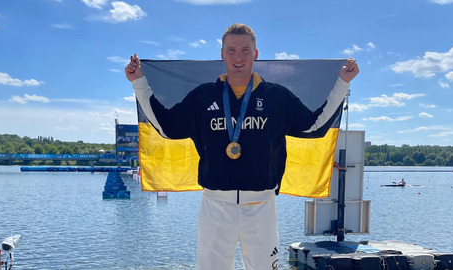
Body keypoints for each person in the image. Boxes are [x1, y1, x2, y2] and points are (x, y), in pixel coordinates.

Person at [126, 23, 359, 270]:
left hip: (261, 207)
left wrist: (342, 83)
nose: (238, 57)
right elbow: (167, 128)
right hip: (215, 206)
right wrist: (139, 82)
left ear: (255, 54)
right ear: (222, 54)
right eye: (232, 50)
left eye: (245, 50)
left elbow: (315, 127)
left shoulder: (277, 97)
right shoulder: (203, 96)